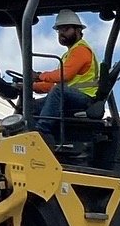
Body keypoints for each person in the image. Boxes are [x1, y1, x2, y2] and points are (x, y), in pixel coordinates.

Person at [34, 9, 101, 139]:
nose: (61, 34)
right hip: (70, 95)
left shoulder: (81, 50)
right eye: (59, 30)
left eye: (65, 29)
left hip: (86, 98)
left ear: (77, 30)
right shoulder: (67, 55)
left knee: (59, 90)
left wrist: (39, 75)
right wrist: (31, 86)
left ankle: (42, 133)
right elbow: (55, 85)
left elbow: (64, 76)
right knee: (31, 106)